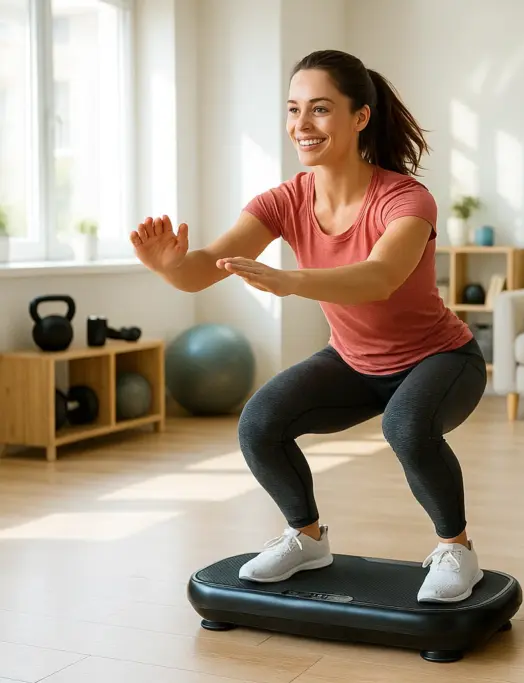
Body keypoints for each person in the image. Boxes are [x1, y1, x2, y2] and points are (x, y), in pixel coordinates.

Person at [129, 50, 488, 604]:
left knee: (407, 427)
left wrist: (290, 281)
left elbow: (381, 277)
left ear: (360, 117)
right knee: (260, 423)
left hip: (440, 360)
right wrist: (172, 267)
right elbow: (208, 267)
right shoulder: (286, 200)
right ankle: (307, 537)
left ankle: (457, 550)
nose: (302, 124)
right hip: (353, 360)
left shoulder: (405, 198)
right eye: (294, 109)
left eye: (320, 109)